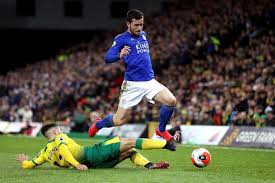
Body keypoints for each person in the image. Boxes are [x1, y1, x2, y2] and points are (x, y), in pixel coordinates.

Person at [88, 9, 177, 148]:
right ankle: (99, 124)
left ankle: (161, 130)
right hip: (132, 85)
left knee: (171, 100)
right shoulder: (121, 39)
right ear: (128, 24)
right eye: (136, 25)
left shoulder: (143, 35)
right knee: (119, 121)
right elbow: (107, 58)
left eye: (141, 24)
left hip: (149, 82)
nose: (139, 28)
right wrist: (120, 55)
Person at [16, 124, 176, 170]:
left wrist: (24, 162)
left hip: (93, 164)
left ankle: (150, 165)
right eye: (56, 129)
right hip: (91, 155)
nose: (59, 130)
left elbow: (31, 164)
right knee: (130, 142)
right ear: (52, 132)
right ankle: (166, 143)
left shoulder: (44, 153)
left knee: (128, 151)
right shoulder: (60, 137)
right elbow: (64, 150)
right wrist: (77, 164)